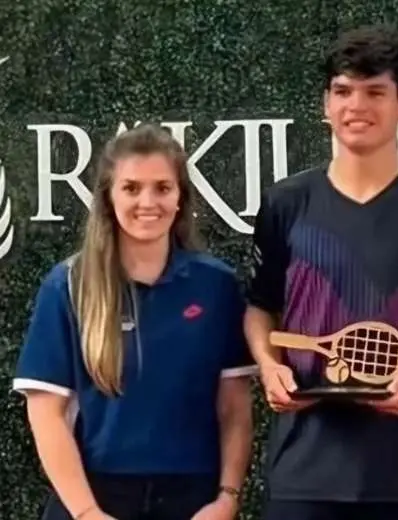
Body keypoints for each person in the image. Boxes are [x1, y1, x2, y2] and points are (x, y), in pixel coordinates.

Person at [244, 25, 398, 520]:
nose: (357, 106)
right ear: (326, 105)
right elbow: (260, 308)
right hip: (302, 469)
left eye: (375, 92)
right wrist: (270, 368)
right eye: (343, 91)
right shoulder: (287, 202)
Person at [12, 124, 256, 520]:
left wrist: (227, 498)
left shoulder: (216, 285)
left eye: (162, 187)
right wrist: (88, 512)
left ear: (181, 197)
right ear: (108, 197)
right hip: (93, 495)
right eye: (131, 188)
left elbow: (234, 407)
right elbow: (47, 414)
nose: (148, 201)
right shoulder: (68, 285)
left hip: (193, 498)